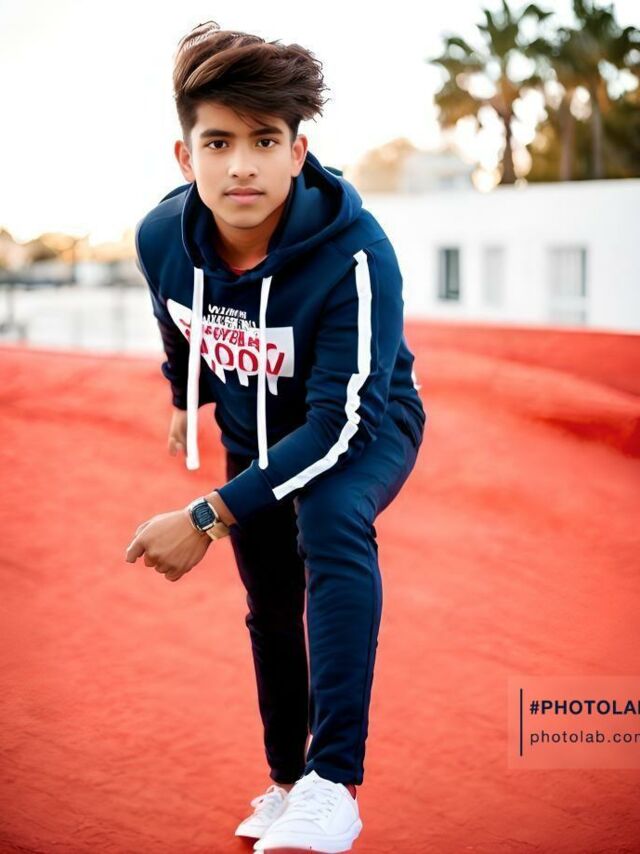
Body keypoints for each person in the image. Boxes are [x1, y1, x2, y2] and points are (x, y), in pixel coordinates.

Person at [125, 19, 426, 853]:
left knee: (327, 519)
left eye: (264, 141)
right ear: (185, 158)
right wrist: (182, 392)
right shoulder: (159, 237)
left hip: (363, 421)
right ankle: (288, 783)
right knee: (267, 593)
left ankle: (333, 783)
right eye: (218, 142)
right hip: (253, 425)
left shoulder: (357, 254)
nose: (241, 166)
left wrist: (206, 515)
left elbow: (339, 425)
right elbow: (177, 319)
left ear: (299, 151)